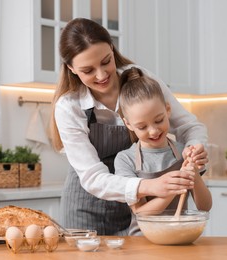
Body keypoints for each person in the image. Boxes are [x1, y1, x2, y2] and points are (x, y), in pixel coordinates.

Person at [50, 18, 209, 235]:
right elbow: (93, 178)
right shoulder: (69, 106)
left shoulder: (138, 78)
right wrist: (150, 186)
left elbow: (189, 126)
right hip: (85, 206)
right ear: (71, 68)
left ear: (112, 49)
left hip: (139, 207)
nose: (101, 75)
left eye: (106, 61)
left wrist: (194, 148)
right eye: (88, 70)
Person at [114, 67, 212, 235]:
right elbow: (141, 213)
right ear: (128, 124)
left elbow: (205, 206)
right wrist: (171, 189)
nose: (153, 131)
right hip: (142, 244)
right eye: (142, 126)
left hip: (180, 238)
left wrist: (194, 173)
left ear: (168, 110)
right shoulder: (125, 160)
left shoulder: (184, 152)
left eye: (159, 120)